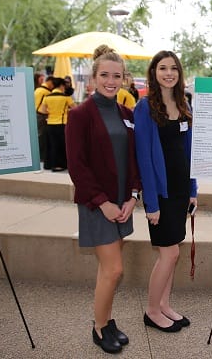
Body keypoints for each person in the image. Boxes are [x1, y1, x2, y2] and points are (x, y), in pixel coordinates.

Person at [65, 45, 142, 354]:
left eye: (117, 76)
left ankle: (107, 321)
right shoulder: (79, 114)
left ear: (124, 79)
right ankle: (98, 328)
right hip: (98, 204)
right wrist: (102, 202)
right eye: (105, 75)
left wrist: (133, 196)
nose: (111, 81)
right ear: (94, 78)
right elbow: (77, 166)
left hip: (123, 204)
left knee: (107, 270)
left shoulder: (127, 114)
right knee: (114, 270)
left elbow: (134, 159)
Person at [135, 50, 198, 333]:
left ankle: (164, 305)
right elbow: (144, 158)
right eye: (163, 68)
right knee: (169, 253)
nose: (168, 73)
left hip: (181, 189)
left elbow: (190, 151)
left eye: (173, 68)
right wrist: (151, 203)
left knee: (173, 251)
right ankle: (151, 311)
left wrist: (193, 189)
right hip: (160, 193)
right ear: (154, 72)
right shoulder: (145, 107)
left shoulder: (184, 104)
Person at [39, 77, 75, 172]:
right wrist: (66, 111)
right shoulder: (66, 97)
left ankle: (49, 164)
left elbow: (42, 110)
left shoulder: (47, 97)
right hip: (62, 124)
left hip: (50, 124)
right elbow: (75, 109)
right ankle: (59, 165)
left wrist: (51, 112)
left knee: (51, 145)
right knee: (61, 145)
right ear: (61, 86)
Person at [34, 75, 54, 169]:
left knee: (39, 135)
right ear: (50, 82)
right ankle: (41, 157)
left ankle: (38, 155)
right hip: (42, 116)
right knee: (42, 136)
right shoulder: (46, 92)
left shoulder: (38, 90)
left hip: (36, 114)